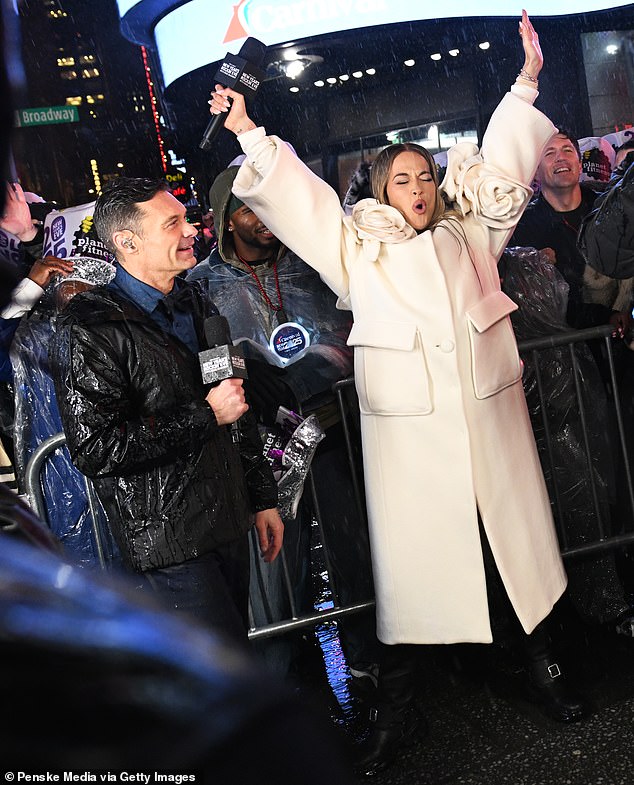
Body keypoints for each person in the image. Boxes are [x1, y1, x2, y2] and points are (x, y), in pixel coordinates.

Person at [207, 11, 588, 775]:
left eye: (424, 176)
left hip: (490, 436)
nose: (416, 188)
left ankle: (540, 666)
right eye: (401, 178)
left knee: (507, 555)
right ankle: (398, 713)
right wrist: (250, 131)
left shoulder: (471, 234)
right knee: (410, 585)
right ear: (383, 187)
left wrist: (526, 82)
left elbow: (510, 173)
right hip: (410, 452)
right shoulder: (356, 249)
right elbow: (304, 202)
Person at [52, 176, 284, 646]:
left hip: (227, 520)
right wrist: (205, 415)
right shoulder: (90, 326)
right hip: (168, 543)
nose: (191, 231)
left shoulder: (195, 300)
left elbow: (232, 399)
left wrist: (261, 498)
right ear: (127, 241)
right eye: (172, 223)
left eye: (186, 220)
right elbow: (97, 448)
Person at [187, 165, 377, 680]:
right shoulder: (200, 286)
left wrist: (300, 381)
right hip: (260, 451)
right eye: (250, 208)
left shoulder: (313, 262)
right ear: (227, 219)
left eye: (268, 205)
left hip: (331, 428)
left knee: (354, 551)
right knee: (275, 570)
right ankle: (286, 679)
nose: (263, 219)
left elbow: (352, 329)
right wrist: (245, 377)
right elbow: (205, 358)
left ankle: (369, 663)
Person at [510, 129, 632, 332]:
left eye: (567, 150)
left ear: (579, 163)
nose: (560, 158)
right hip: (569, 349)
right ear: (536, 172)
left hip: (622, 344)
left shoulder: (608, 209)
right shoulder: (522, 228)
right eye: (549, 153)